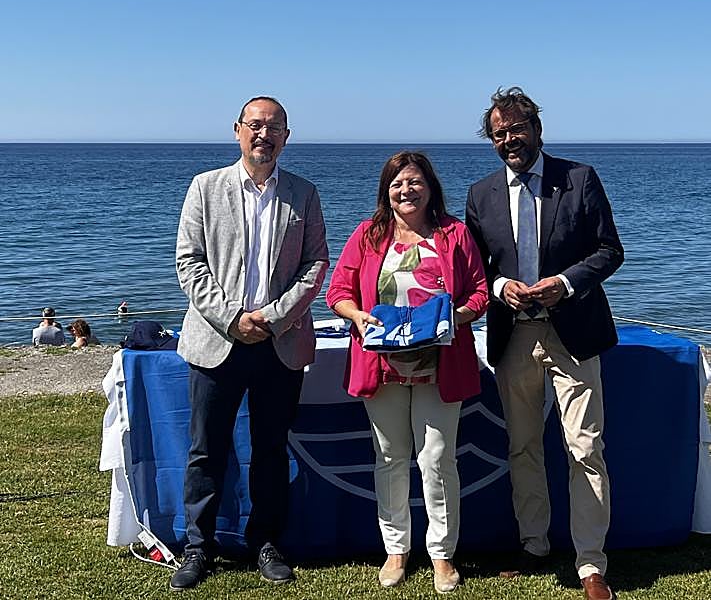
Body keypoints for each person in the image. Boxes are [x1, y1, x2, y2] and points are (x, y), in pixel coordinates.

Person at [465, 87, 624, 600]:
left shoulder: (578, 179)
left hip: (573, 332)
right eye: (499, 133)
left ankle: (590, 564)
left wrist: (566, 282)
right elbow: (473, 270)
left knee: (585, 449)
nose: (509, 140)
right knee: (523, 447)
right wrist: (496, 287)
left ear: (536, 130)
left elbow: (609, 250)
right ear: (491, 140)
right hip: (513, 336)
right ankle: (533, 546)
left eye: (517, 129)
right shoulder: (481, 195)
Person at [171, 96, 329, 591]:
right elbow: (188, 263)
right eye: (255, 126)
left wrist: (273, 318)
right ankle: (198, 547)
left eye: (274, 127)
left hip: (279, 343)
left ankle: (265, 541)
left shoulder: (303, 194)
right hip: (217, 341)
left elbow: (316, 264)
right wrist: (233, 318)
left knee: (270, 449)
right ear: (238, 130)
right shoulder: (205, 188)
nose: (264, 134)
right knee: (206, 451)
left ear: (287, 135)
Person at [327, 152, 488, 594]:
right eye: (397, 183)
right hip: (382, 366)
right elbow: (338, 291)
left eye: (414, 182)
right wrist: (357, 316)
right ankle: (396, 550)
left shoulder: (455, 234)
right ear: (386, 190)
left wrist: (454, 319)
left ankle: (442, 554)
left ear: (430, 187)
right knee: (391, 459)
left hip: (442, 366)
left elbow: (479, 292)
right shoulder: (368, 233)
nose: (406, 190)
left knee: (437, 460)